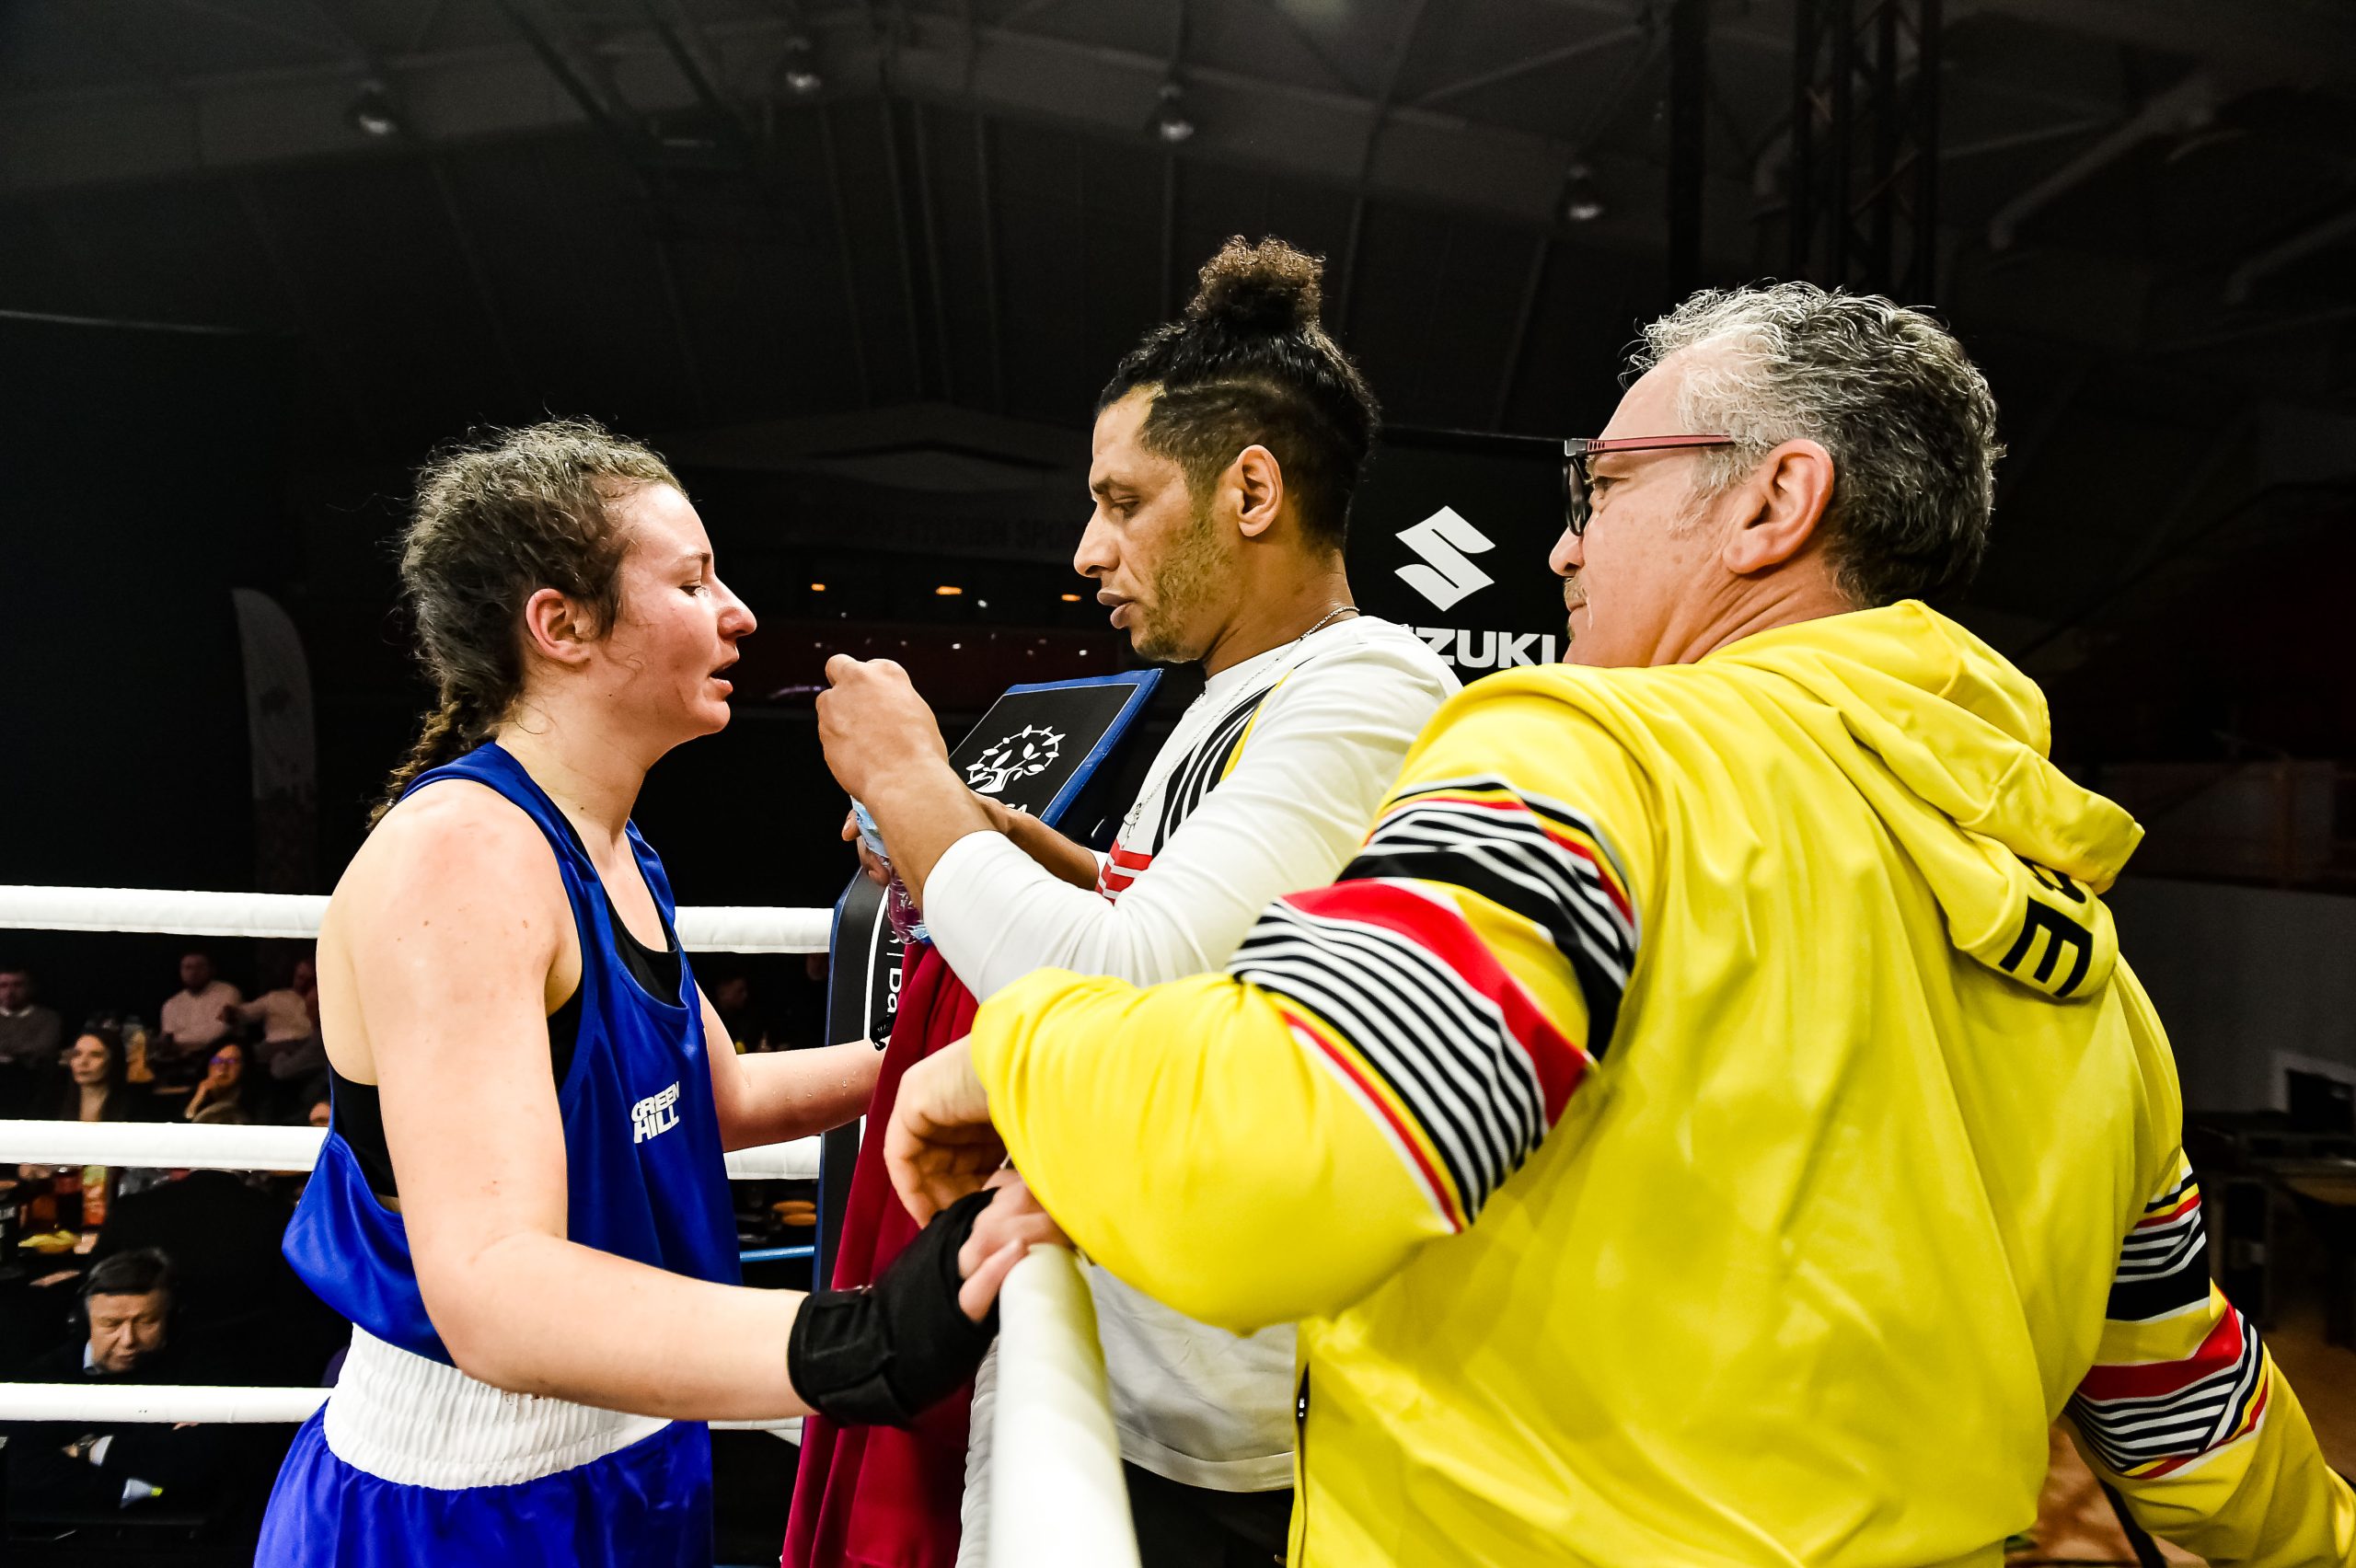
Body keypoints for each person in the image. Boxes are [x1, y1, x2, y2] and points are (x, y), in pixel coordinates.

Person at [887, 283, 2356, 1566]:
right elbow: (2191, 1422)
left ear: (1774, 503)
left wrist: (1020, 1054)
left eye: (1603, 486)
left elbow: (1287, 1154)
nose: (1562, 551)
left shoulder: (1596, 764)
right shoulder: (2083, 960)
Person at [253, 421, 1057, 1568]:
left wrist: (998, 1057)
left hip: (633, 1452)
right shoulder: (464, 859)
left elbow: (714, 1099)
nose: (739, 614)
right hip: (462, 1504)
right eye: (691, 582)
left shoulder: (611, 844)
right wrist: (863, 1340)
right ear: (560, 625)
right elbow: (490, 1289)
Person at [810, 236, 1457, 1568]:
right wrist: (1005, 839)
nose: (1087, 549)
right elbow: (1183, 921)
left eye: (1123, 501)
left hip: (1236, 1423)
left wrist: (913, 784)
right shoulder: (1240, 692)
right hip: (1165, 1367)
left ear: (1252, 491)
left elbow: (1131, 987)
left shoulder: (1369, 693)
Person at [4, 1250, 236, 1518]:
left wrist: (90, 1449)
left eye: (146, 1322)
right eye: (111, 1324)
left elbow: (205, 1463)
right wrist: (138, 1485)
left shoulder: (201, 1372)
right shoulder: (43, 1377)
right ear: (83, 1323)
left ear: (171, 1321)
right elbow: (24, 1472)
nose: (128, 1339)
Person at [157, 949, 241, 1069]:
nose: (194, 972)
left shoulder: (228, 993)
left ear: (212, 970)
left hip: (221, 1060)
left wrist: (176, 1039)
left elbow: (216, 1034)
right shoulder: (171, 1004)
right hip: (183, 1063)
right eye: (188, 967)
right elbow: (167, 1042)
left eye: (200, 967)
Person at [0, 963, 65, 1114]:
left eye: (17, 985)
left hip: (32, 1085)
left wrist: (7, 1051)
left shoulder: (48, 1018)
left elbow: (45, 1048)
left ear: (30, 988)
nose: (9, 992)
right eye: (3, 986)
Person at [183, 1040, 250, 1121]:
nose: (223, 1067)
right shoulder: (191, 1096)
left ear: (244, 1067)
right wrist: (196, 1102)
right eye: (217, 1060)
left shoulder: (257, 1100)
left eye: (232, 1061)